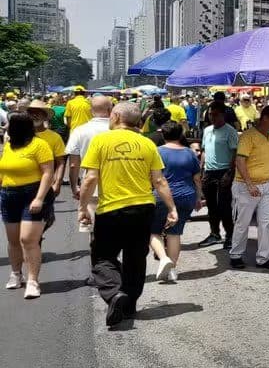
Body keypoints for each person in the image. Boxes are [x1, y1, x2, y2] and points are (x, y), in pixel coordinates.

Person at [78, 103, 177, 326]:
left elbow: (90, 178)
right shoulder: (147, 143)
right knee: (135, 258)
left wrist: (82, 207)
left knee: (103, 257)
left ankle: (115, 294)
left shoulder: (101, 140)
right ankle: (130, 305)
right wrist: (172, 208)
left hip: (111, 209)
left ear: (115, 116)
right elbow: (159, 180)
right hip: (143, 208)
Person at [1, 113, 55, 298]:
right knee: (13, 240)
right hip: (8, 194)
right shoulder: (9, 145)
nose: (6, 126)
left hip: (32, 193)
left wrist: (39, 198)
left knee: (27, 240)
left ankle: (33, 281)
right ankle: (16, 274)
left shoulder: (40, 145)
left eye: (9, 123)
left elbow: (48, 172)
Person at [149, 121, 203, 283]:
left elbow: (152, 177)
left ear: (163, 135)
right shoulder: (189, 153)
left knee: (153, 231)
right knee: (175, 232)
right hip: (186, 195)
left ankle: (164, 258)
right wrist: (198, 197)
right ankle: (172, 270)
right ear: (180, 135)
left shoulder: (157, 152)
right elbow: (197, 178)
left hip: (161, 196)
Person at [230, 105, 269, 271]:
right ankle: (236, 255)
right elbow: (240, 161)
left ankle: (263, 257)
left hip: (268, 184)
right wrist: (249, 183)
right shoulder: (248, 136)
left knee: (265, 223)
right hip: (247, 187)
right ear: (265, 118)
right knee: (242, 222)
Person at [66, 95, 113, 228]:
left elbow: (74, 164)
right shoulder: (118, 130)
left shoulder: (79, 131)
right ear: (111, 110)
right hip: (118, 186)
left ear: (91, 111)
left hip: (90, 187)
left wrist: (74, 186)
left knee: (92, 227)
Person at [198, 102, 239, 249]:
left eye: (215, 114)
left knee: (224, 206)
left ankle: (230, 235)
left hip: (224, 172)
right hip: (209, 172)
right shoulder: (207, 130)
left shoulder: (230, 131)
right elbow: (204, 150)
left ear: (223, 115)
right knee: (211, 205)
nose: (212, 117)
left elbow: (235, 153)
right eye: (210, 114)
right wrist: (202, 169)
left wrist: (230, 172)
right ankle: (214, 233)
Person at [26, 99, 67, 232]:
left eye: (38, 112)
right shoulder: (19, 135)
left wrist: (58, 182)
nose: (34, 115)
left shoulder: (54, 137)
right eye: (31, 112)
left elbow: (60, 162)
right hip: (21, 185)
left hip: (45, 186)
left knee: (44, 221)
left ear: (44, 116)